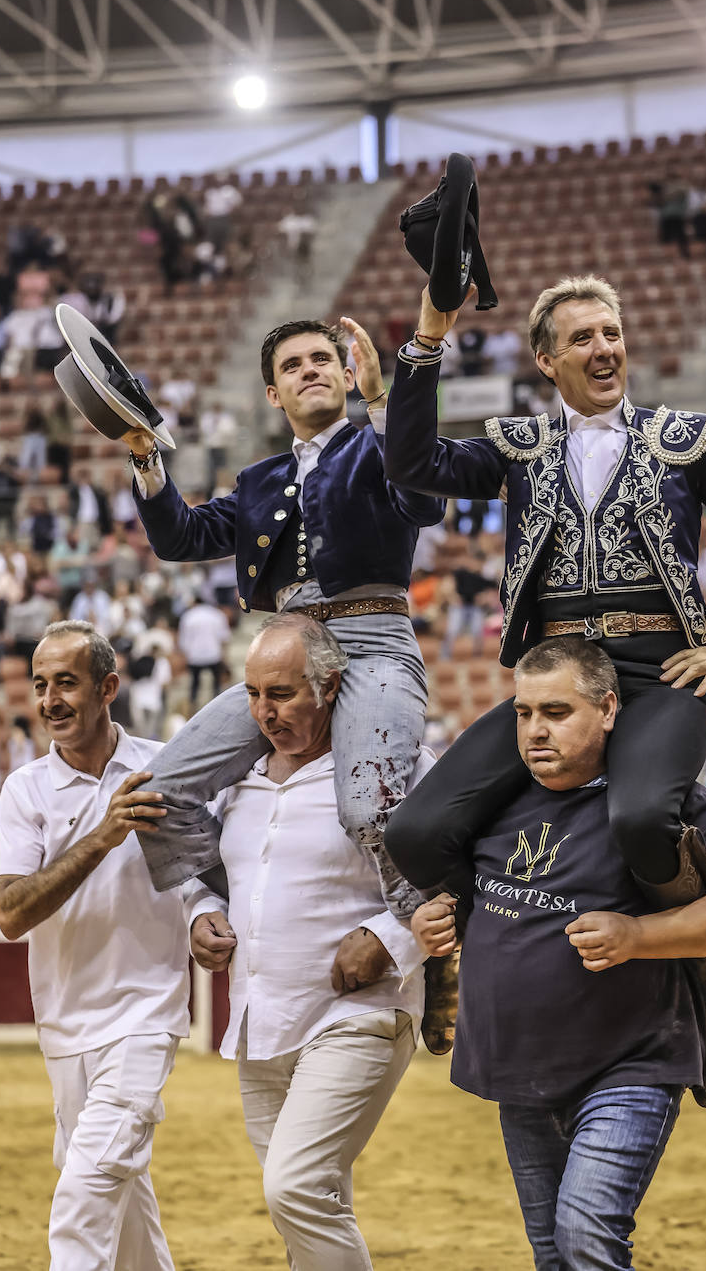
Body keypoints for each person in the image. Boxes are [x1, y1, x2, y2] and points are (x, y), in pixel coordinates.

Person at [383, 273, 706, 1104]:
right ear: (545, 359)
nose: (604, 349)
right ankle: (473, 940)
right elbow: (410, 459)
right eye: (581, 338)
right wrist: (427, 339)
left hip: (659, 675)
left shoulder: (686, 439)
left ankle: (702, 981)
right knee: (417, 831)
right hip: (555, 678)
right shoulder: (520, 447)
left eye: (611, 333)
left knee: (645, 816)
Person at [119, 316, 452, 1045]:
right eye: (294, 364)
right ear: (274, 391)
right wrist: (147, 455)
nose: (311, 370)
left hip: (370, 642)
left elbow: (426, 500)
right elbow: (182, 537)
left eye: (323, 358)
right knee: (155, 793)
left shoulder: (382, 445)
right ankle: (233, 904)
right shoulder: (262, 480)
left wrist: (383, 402)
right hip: (287, 651)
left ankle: (424, 935)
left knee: (370, 805)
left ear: (345, 372)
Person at [408, 637, 706, 1271]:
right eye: (524, 714)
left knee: (586, 1237)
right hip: (514, 1064)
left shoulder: (662, 802)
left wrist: (639, 937)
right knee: (554, 1254)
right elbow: (467, 897)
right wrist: (435, 919)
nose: (535, 732)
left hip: (629, 1063)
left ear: (609, 709)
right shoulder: (489, 803)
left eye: (556, 713)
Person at [185, 613, 425, 1270]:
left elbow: (453, 874)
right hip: (262, 1017)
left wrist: (388, 936)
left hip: (360, 1014)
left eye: (282, 694)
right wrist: (200, 912)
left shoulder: (388, 763)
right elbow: (202, 876)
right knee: (309, 1207)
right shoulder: (234, 777)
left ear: (329, 685)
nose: (264, 711)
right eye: (254, 694)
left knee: (292, 1188)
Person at [0, 620, 190, 1269]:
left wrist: (208, 919)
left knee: (87, 1188)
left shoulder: (165, 768)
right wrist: (101, 837)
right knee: (122, 1198)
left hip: (145, 1016)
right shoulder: (25, 791)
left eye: (67, 683)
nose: (50, 699)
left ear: (108, 687)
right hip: (65, 1021)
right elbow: (12, 914)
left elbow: (208, 873)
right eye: (41, 684)